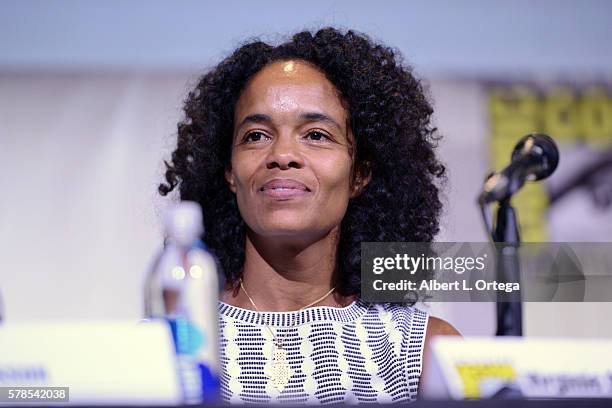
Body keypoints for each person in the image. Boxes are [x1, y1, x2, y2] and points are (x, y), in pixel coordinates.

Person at [160, 27, 460, 404]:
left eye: (316, 134)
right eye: (256, 135)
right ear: (229, 173)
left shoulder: (425, 354)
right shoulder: (165, 348)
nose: (282, 154)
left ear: (360, 174)